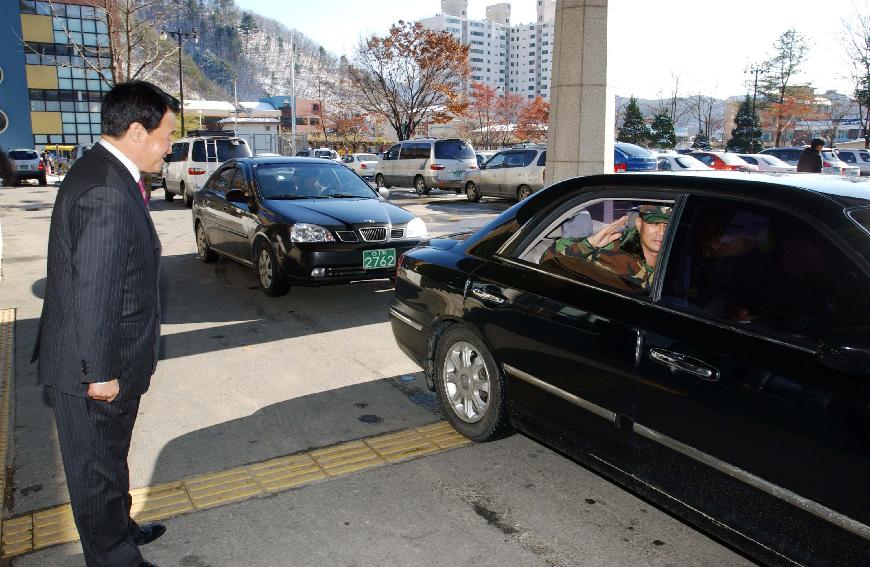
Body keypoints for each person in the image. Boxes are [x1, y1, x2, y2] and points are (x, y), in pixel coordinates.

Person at [32, 80, 179, 567]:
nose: (170, 147)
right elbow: (94, 290)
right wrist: (98, 373)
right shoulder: (106, 191)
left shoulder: (107, 173)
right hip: (92, 365)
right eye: (167, 136)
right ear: (137, 131)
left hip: (107, 356)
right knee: (94, 472)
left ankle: (122, 528)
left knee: (110, 457)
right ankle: (114, 557)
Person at [542, 205, 672, 291]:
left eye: (667, 226)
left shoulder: (680, 266)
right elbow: (548, 262)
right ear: (638, 223)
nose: (661, 232)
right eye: (654, 224)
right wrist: (589, 244)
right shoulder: (609, 248)